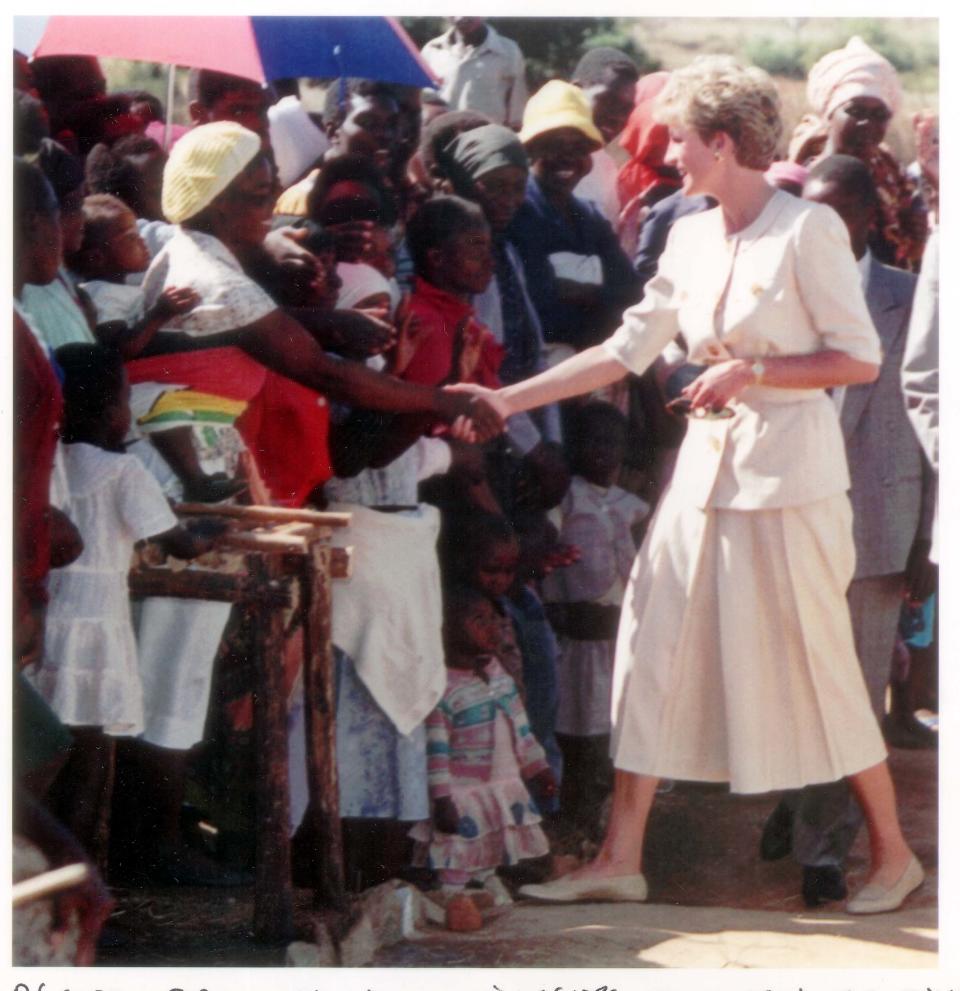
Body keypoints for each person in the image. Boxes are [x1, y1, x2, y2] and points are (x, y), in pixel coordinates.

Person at [451, 55, 922, 914]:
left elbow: (859, 356)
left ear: (725, 141)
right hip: (701, 478)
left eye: (679, 136)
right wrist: (505, 397)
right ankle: (618, 854)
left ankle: (892, 855)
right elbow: (626, 347)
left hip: (789, 483)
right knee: (650, 649)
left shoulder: (806, 229)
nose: (665, 152)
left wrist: (750, 371)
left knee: (819, 663)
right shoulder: (690, 233)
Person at [758, 154, 934, 907]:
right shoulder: (781, 290)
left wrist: (929, 537)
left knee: (856, 694)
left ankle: (823, 849)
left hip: (876, 527)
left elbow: (934, 417)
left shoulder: (909, 295)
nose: (817, 226)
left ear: (868, 217)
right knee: (787, 681)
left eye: (834, 211)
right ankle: (797, 798)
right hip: (787, 517)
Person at [25, 344, 220, 863]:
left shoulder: (52, 459)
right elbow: (180, 543)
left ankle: (41, 871)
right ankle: (78, 874)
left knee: (44, 759)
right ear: (113, 410)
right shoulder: (123, 470)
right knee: (88, 765)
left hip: (50, 622)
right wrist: (214, 528)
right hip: (97, 625)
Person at [542, 401, 649, 834]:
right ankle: (571, 818)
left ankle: (602, 822)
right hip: (577, 637)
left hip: (618, 633)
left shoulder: (633, 505)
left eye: (613, 442)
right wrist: (558, 609)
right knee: (577, 728)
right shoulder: (565, 498)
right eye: (592, 441)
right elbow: (549, 558)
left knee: (611, 731)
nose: (603, 450)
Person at [409, 585, 555, 894]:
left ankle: (487, 884)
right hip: (465, 790)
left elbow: (520, 726)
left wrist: (537, 767)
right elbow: (436, 751)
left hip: (502, 783)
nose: (492, 628)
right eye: (479, 620)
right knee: (459, 848)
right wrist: (442, 798)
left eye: (493, 619)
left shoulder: (498, 671)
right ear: (445, 630)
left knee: (493, 840)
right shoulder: (442, 687)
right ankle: (454, 895)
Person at [508, 80, 639, 354]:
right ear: (531, 149)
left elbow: (631, 293)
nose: (568, 157)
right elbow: (542, 308)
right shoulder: (518, 213)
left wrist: (583, 292)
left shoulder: (589, 217)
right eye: (554, 144)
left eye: (579, 147)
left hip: (590, 354)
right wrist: (599, 295)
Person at [797, 36, 927, 271]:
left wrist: (916, 241)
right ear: (829, 113)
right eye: (855, 111)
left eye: (880, 115)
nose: (867, 123)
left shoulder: (893, 178)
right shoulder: (807, 181)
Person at [571, 47, 640, 226]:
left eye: (626, 109)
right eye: (608, 101)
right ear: (576, 91)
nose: (617, 117)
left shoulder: (606, 169)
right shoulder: (533, 153)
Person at [420, 18, 528, 130]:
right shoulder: (432, 50)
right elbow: (423, 103)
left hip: (487, 141)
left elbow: (516, 115)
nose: (462, 16)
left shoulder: (509, 51)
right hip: (443, 141)